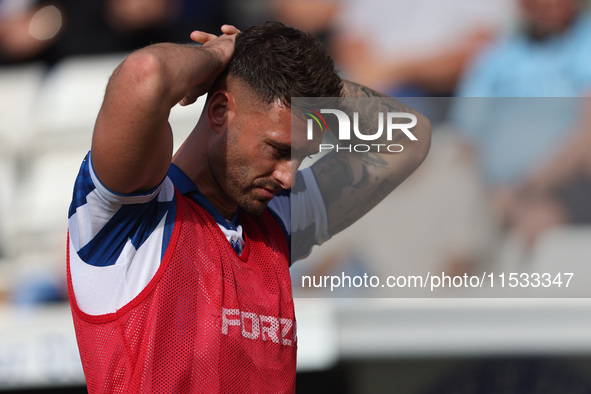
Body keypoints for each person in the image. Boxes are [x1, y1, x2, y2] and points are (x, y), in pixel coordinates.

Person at [66, 22, 430, 392]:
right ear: (221, 110)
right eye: (279, 150)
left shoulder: (276, 218)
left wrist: (304, 87)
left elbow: (411, 134)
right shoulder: (132, 215)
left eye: (301, 157)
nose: (289, 177)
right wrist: (221, 54)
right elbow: (145, 74)